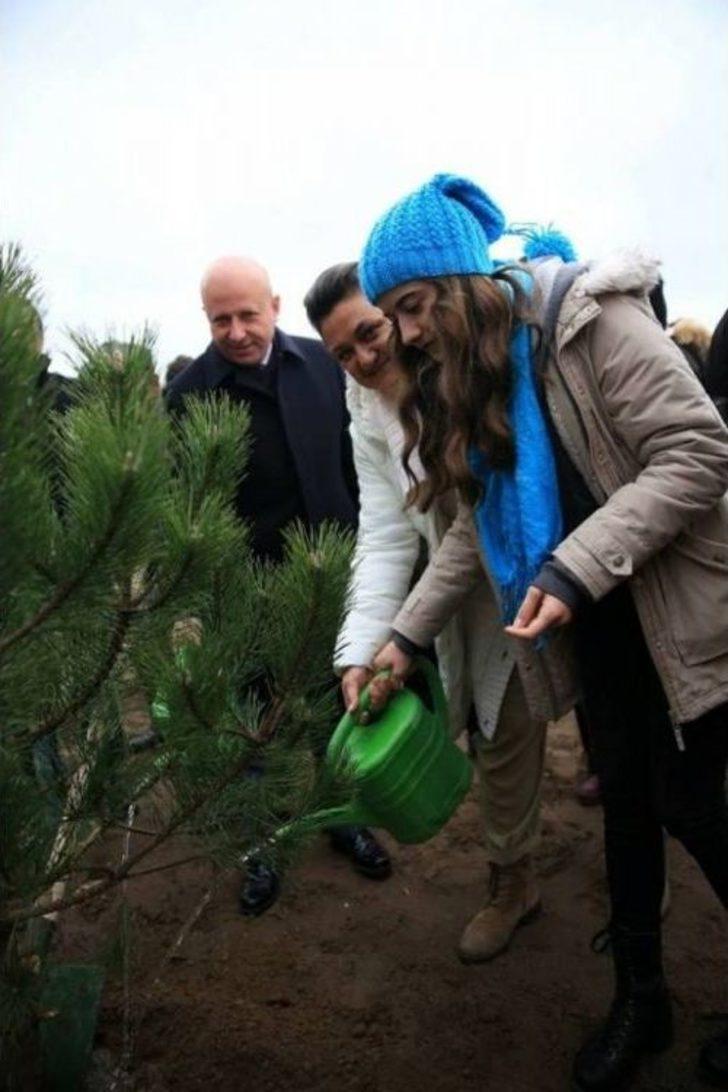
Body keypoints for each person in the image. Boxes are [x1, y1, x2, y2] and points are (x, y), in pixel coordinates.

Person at [354, 174, 728, 1092]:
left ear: (458, 282)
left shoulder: (588, 325)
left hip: (677, 611)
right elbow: (479, 534)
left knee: (691, 802)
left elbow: (700, 451)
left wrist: (572, 566)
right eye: (392, 315)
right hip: (598, 621)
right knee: (632, 808)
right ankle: (644, 1000)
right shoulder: (483, 377)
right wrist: (401, 640)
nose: (404, 334)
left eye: (412, 307)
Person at [305, 261, 553, 963]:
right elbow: (385, 532)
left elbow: (482, 523)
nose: (362, 358)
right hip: (448, 597)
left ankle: (625, 849)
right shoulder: (365, 412)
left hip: (525, 569)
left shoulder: (459, 372)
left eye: (369, 332)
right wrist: (358, 649)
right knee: (490, 730)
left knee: (565, 724)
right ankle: (516, 880)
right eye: (341, 354)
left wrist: (405, 635)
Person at [166, 256, 391, 913]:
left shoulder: (324, 366)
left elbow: (360, 467)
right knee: (252, 726)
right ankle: (259, 848)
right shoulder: (188, 397)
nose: (236, 331)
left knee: (336, 709)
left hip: (335, 579)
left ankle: (343, 818)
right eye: (220, 319)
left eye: (247, 315)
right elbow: (189, 511)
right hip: (246, 594)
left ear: (275, 306)